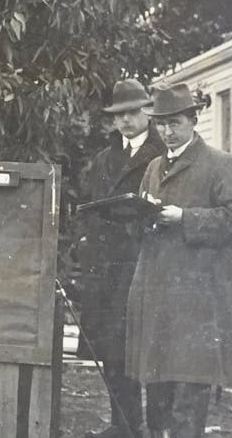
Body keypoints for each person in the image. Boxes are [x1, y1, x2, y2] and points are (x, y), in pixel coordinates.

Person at [126, 83, 232, 438]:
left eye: (175, 123)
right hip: (158, 298)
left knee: (188, 399)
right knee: (157, 401)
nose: (167, 132)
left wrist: (185, 217)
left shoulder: (219, 163)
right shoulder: (154, 166)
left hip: (198, 304)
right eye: (161, 124)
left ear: (194, 120)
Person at [77, 79, 165, 438]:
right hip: (105, 268)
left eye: (132, 112)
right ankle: (123, 424)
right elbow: (86, 206)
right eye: (119, 115)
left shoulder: (162, 156)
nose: (126, 121)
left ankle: (154, 427)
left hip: (143, 263)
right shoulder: (103, 159)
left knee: (149, 350)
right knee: (111, 350)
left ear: (147, 112)